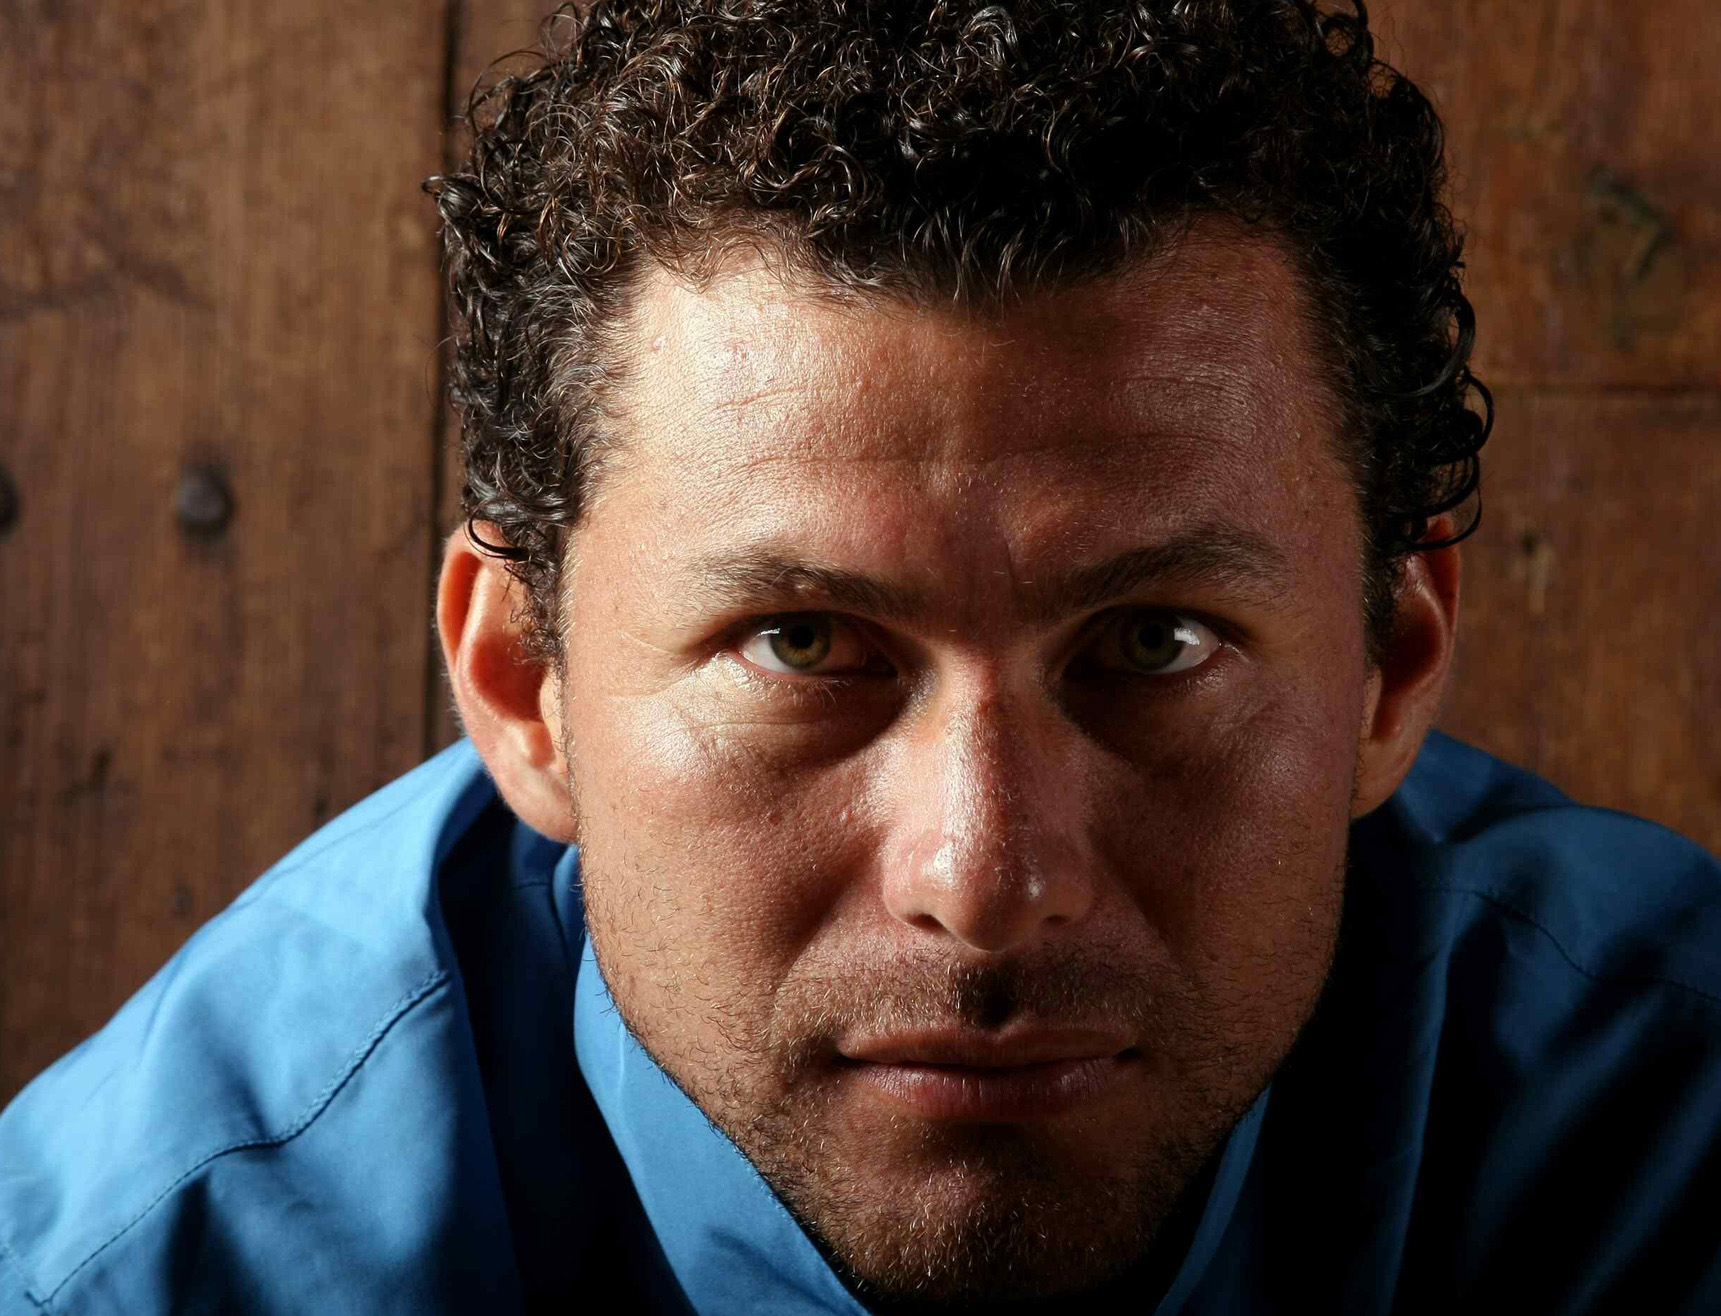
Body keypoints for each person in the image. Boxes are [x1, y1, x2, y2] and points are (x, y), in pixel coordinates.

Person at [3, 1, 1718, 1311]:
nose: (985, 881)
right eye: (803, 643)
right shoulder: (146, 1271)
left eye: (1155, 643)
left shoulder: (1670, 1135)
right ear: (526, 687)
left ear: (1390, 666)